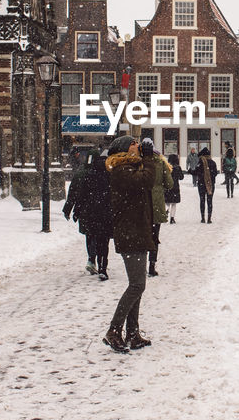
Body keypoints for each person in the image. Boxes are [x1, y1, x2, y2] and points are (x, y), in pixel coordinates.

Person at [103, 134, 157, 353]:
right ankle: (114, 330)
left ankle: (133, 333)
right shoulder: (121, 171)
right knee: (137, 285)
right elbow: (147, 180)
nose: (138, 146)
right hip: (131, 234)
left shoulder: (130, 168)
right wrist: (149, 158)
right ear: (125, 150)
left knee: (138, 285)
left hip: (136, 232)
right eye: (134, 144)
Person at [62, 150, 113, 279]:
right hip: (105, 214)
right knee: (103, 241)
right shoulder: (109, 176)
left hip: (89, 213)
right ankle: (103, 266)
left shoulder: (85, 175)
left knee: (90, 236)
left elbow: (78, 195)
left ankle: (91, 258)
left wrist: (73, 210)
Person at [143, 138, 173, 277]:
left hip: (141, 204)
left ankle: (141, 263)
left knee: (142, 235)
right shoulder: (161, 162)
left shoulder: (138, 162)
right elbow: (169, 183)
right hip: (156, 204)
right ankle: (152, 265)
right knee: (155, 236)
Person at [191, 146, 219, 223]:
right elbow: (215, 173)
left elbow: (196, 172)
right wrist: (210, 178)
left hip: (201, 184)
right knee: (210, 201)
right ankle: (209, 218)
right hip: (210, 185)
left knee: (202, 200)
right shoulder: (213, 162)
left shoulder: (200, 162)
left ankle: (203, 218)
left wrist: (191, 171)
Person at [165, 153, 184, 224]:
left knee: (167, 202)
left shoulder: (167, 166)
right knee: (174, 203)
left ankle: (166, 210)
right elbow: (181, 177)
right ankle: (172, 218)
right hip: (175, 187)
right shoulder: (177, 167)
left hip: (167, 186)